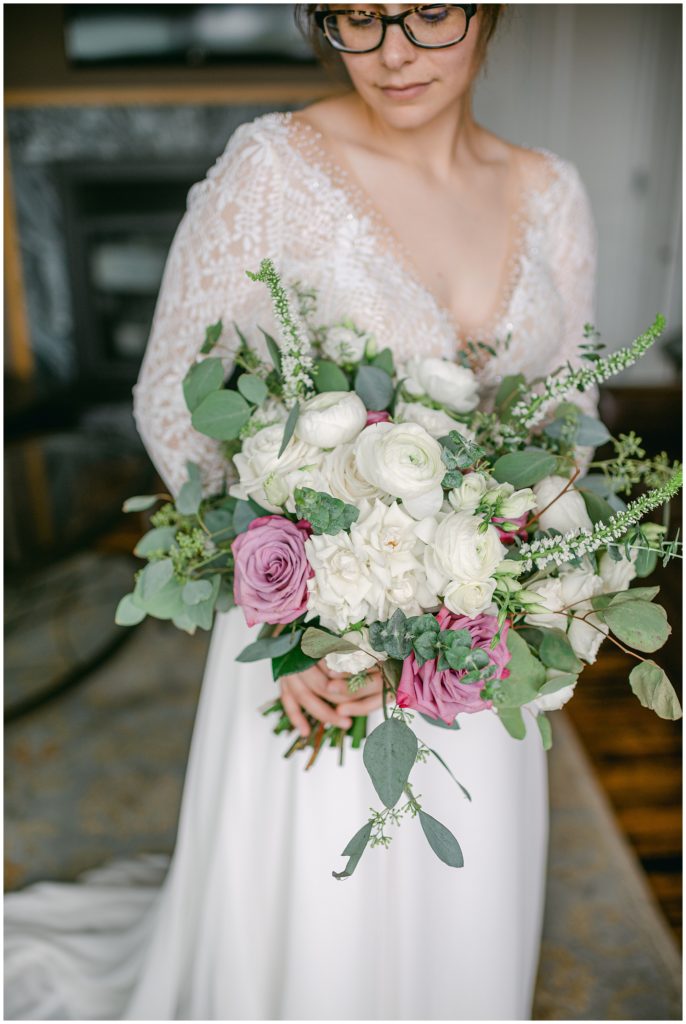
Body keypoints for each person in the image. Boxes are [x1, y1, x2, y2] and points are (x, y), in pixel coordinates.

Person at [5, 4, 599, 1019]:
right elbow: (169, 396)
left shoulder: (550, 191)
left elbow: (567, 409)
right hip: (315, 637)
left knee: (458, 915)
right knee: (316, 927)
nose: (392, 51)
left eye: (425, 11)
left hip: (475, 630)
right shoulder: (272, 170)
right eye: (355, 18)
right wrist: (292, 613)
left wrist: (537, 573)